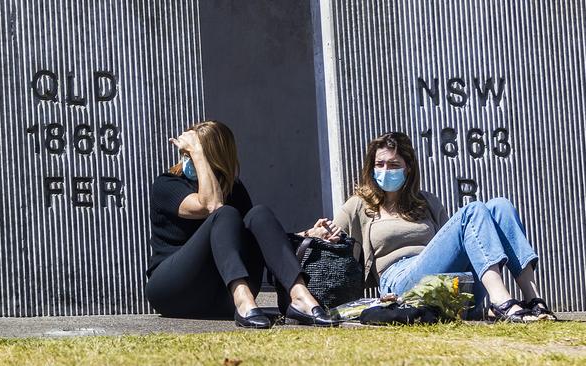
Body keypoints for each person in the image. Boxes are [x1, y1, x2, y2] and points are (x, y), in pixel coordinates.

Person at [304, 132, 556, 322]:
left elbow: (462, 243)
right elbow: (326, 237)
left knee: (500, 205)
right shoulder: (359, 204)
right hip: (401, 282)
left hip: (451, 284)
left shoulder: (427, 203)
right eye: (379, 165)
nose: (385, 170)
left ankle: (533, 298)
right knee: (473, 211)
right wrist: (314, 232)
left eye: (393, 165)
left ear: (408, 168)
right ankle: (500, 301)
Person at [145, 120, 338, 328]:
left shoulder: (234, 189)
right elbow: (211, 205)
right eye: (187, 154)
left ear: (217, 157)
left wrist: (307, 234)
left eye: (195, 153)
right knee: (225, 214)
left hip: (219, 296)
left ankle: (300, 297)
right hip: (173, 291)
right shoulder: (168, 184)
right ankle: (243, 300)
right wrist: (198, 152)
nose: (189, 158)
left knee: (259, 215)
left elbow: (256, 239)